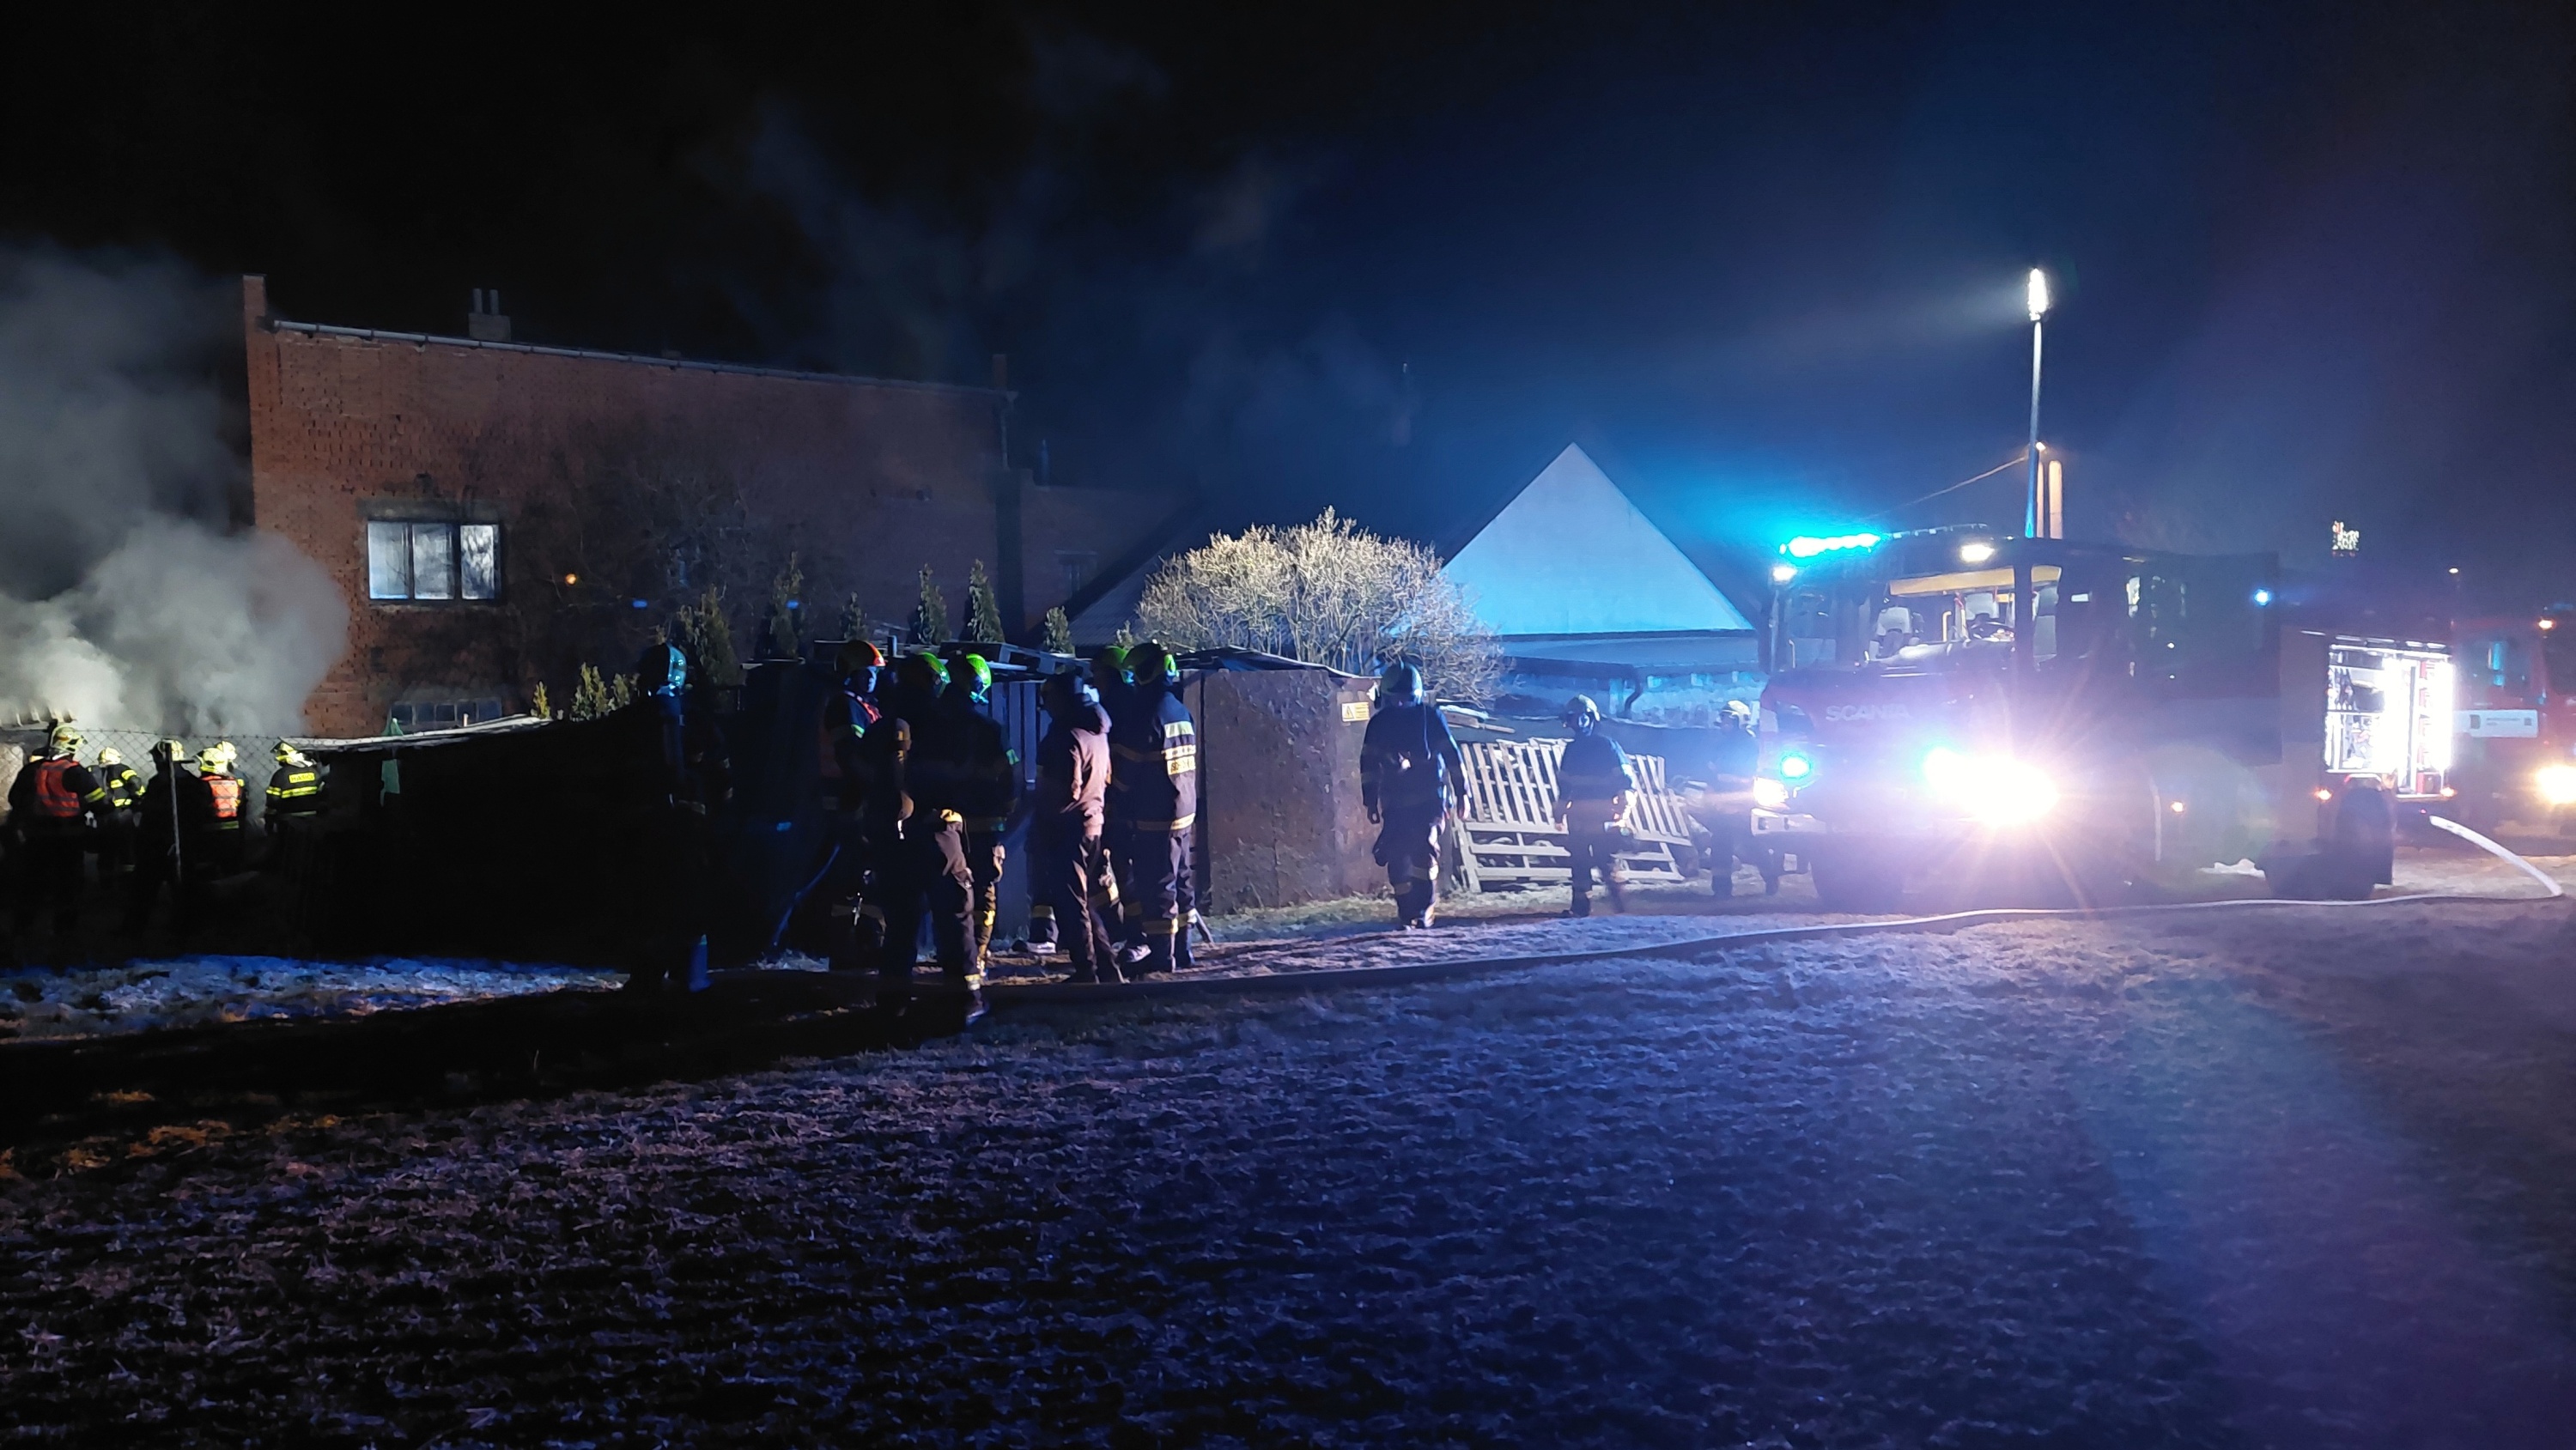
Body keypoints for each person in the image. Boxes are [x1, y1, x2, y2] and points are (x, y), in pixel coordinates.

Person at [623, 640, 733, 992]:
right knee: (682, 902)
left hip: (658, 824)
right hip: (683, 825)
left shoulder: (643, 717)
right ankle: (687, 975)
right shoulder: (693, 718)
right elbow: (721, 772)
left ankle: (656, 975)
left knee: (656, 901)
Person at [862, 652, 976, 986]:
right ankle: (963, 996)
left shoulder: (880, 727)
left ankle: (893, 999)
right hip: (938, 832)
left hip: (892, 838)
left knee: (899, 925)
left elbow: (861, 771)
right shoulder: (947, 724)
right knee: (954, 915)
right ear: (933, 682)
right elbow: (965, 774)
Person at [1108, 640, 1197, 974]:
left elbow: (1126, 774)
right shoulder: (1180, 710)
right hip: (1183, 811)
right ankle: (1183, 950)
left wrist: (1115, 798)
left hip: (1155, 815)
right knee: (1182, 881)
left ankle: (1162, 956)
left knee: (1157, 885)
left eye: (1135, 673)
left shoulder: (1146, 715)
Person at [1031, 670, 1122, 983]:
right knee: (1083, 901)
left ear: (1060, 699)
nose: (1046, 706)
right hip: (1093, 824)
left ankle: (1086, 971)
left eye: (1048, 699)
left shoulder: (1065, 735)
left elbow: (1065, 789)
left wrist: (1039, 807)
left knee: (1070, 904)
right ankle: (1107, 968)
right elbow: (1106, 777)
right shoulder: (1098, 730)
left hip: (1067, 828)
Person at [1359, 662, 1465, 929]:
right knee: (1396, 856)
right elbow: (1368, 764)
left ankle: (1423, 907)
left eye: (1405, 699)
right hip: (1395, 803)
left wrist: (1463, 793)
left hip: (1430, 799)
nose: (1400, 704)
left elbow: (1452, 757)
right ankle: (1407, 912)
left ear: (1416, 696)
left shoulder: (1431, 719)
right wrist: (1370, 800)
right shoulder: (1379, 724)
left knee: (1424, 848)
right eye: (1395, 699)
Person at [935, 652, 1021, 971]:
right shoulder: (989, 729)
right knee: (983, 889)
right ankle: (978, 954)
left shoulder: (931, 726)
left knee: (947, 888)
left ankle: (953, 953)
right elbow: (1011, 778)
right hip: (986, 821)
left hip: (943, 823)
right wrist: (1007, 811)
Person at [9, 722, 109, 937]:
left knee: (33, 884)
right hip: (69, 838)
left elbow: (15, 799)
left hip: (36, 837)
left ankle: (22, 928)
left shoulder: (31, 770)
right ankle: (64, 932)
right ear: (72, 747)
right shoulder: (76, 772)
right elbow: (99, 804)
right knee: (68, 886)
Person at [1554, 695, 1633, 917]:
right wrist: (1559, 812)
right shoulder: (1572, 750)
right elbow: (1565, 785)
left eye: (1578, 718)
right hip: (1579, 814)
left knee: (1604, 859)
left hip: (1603, 812)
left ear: (1589, 718)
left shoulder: (1607, 746)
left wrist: (1623, 809)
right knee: (1579, 861)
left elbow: (1625, 782)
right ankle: (1580, 908)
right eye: (1572, 719)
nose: (1575, 723)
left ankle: (1620, 905)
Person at [128, 739, 212, 934]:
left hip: (164, 844)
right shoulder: (196, 784)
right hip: (179, 843)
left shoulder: (160, 784)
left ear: (161, 760)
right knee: (176, 887)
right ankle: (180, 929)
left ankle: (145, 929)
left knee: (152, 887)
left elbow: (151, 815)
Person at [1707, 699, 1775, 896]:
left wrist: (1731, 779)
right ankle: (1721, 889)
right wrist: (1711, 790)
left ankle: (1770, 876)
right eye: (1724, 719)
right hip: (1722, 804)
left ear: (1740, 721)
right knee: (1720, 845)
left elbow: (1753, 776)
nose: (1724, 723)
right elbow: (1712, 773)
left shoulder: (1751, 745)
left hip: (1744, 805)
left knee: (1752, 844)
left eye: (1729, 720)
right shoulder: (1721, 746)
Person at [90, 744, 143, 885]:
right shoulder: (120, 768)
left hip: (102, 815)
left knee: (106, 849)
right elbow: (135, 781)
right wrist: (140, 797)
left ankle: (105, 882)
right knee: (126, 847)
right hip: (122, 813)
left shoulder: (94, 771)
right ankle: (127, 881)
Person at [194, 745, 248, 876]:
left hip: (209, 831)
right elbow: (241, 806)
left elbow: (196, 809)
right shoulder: (234, 782)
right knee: (230, 867)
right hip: (233, 830)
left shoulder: (201, 784)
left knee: (208, 868)